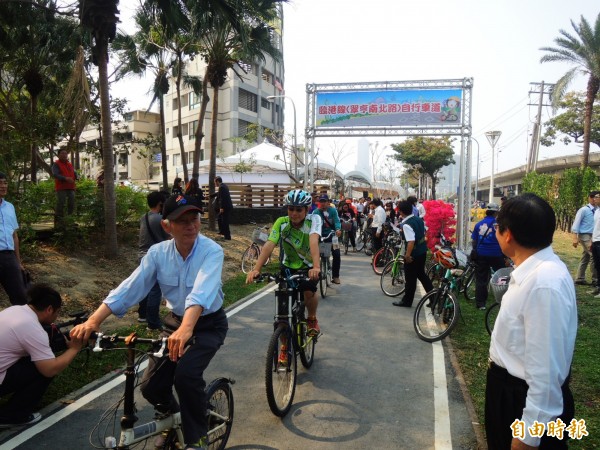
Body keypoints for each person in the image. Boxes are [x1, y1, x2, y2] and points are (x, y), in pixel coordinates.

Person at [71, 195, 228, 450]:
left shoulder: (211, 250)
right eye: (182, 221)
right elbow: (131, 287)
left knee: (186, 376)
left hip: (208, 324)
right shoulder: (158, 253)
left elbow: (202, 291)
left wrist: (187, 328)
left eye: (195, 219)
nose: (191, 226)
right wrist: (93, 320)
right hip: (175, 323)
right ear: (167, 226)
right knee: (150, 386)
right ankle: (171, 418)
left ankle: (197, 436)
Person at [486, 194, 577, 450]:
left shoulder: (543, 284)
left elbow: (546, 372)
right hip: (510, 392)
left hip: (522, 400)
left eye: (497, 227)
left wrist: (527, 437)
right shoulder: (533, 271)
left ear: (508, 235)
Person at [0, 284, 83, 427]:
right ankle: (12, 416)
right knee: (42, 371)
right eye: (57, 312)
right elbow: (50, 369)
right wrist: (74, 349)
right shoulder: (32, 329)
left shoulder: (15, 310)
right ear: (49, 309)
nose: (56, 317)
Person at [246, 189, 322, 338]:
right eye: (291, 209)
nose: (294, 213)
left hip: (308, 267)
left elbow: (313, 241)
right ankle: (283, 349)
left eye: (299, 210)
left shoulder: (314, 220)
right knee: (282, 314)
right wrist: (256, 269)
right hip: (287, 267)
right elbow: (269, 244)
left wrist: (316, 267)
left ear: (306, 209)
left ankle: (312, 319)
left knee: (309, 290)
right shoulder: (281, 222)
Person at [137, 191, 170, 330]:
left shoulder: (143, 217)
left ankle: (142, 315)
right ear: (160, 204)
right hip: (154, 256)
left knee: (146, 286)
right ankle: (153, 322)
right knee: (155, 289)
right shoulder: (160, 220)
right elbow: (169, 238)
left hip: (141, 255)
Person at [393, 200, 433, 307]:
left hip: (414, 254)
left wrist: (407, 255)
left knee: (410, 279)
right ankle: (434, 298)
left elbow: (411, 241)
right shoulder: (418, 219)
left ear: (401, 212)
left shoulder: (406, 224)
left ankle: (407, 301)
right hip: (422, 251)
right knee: (422, 275)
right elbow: (425, 232)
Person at [470, 203, 507, 310]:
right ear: (496, 212)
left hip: (481, 254)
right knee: (502, 277)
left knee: (481, 279)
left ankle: (481, 303)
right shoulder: (499, 225)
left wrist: (475, 251)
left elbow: (474, 241)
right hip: (496, 254)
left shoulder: (478, 225)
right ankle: (503, 300)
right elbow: (503, 241)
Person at [0, 172, 27, 305]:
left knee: (20, 297)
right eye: (0, 183)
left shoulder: (10, 207)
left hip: (9, 257)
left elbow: (14, 235)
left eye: (5, 183)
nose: (3, 186)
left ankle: (22, 324)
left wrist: (18, 261)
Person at [571, 191, 599, 287]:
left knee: (586, 256)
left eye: (595, 197)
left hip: (593, 236)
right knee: (593, 255)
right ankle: (595, 280)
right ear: (589, 198)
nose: (593, 199)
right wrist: (575, 237)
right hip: (585, 235)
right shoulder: (584, 210)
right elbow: (576, 223)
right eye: (591, 197)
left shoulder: (597, 210)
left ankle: (580, 278)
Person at [314, 194, 342, 284]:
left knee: (336, 254)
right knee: (322, 255)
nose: (322, 203)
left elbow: (337, 221)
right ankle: (318, 271)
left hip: (332, 235)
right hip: (321, 236)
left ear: (328, 202)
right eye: (321, 201)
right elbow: (312, 224)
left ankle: (336, 276)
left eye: (324, 201)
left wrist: (338, 229)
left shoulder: (333, 211)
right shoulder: (316, 212)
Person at [51, 148, 78, 226]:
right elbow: (55, 174)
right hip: (61, 187)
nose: (64, 155)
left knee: (71, 204)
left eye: (65, 153)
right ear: (58, 155)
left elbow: (74, 172)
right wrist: (65, 178)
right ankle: (60, 223)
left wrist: (76, 177)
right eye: (62, 153)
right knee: (61, 204)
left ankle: (70, 221)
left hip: (71, 187)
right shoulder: (56, 164)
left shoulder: (69, 164)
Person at [215, 176, 233, 241]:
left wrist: (222, 207)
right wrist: (211, 196)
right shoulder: (224, 186)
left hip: (225, 207)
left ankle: (227, 236)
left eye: (215, 182)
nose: (215, 184)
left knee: (225, 221)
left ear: (217, 181)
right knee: (220, 218)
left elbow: (222, 198)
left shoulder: (222, 187)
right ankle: (222, 231)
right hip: (228, 206)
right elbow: (218, 194)